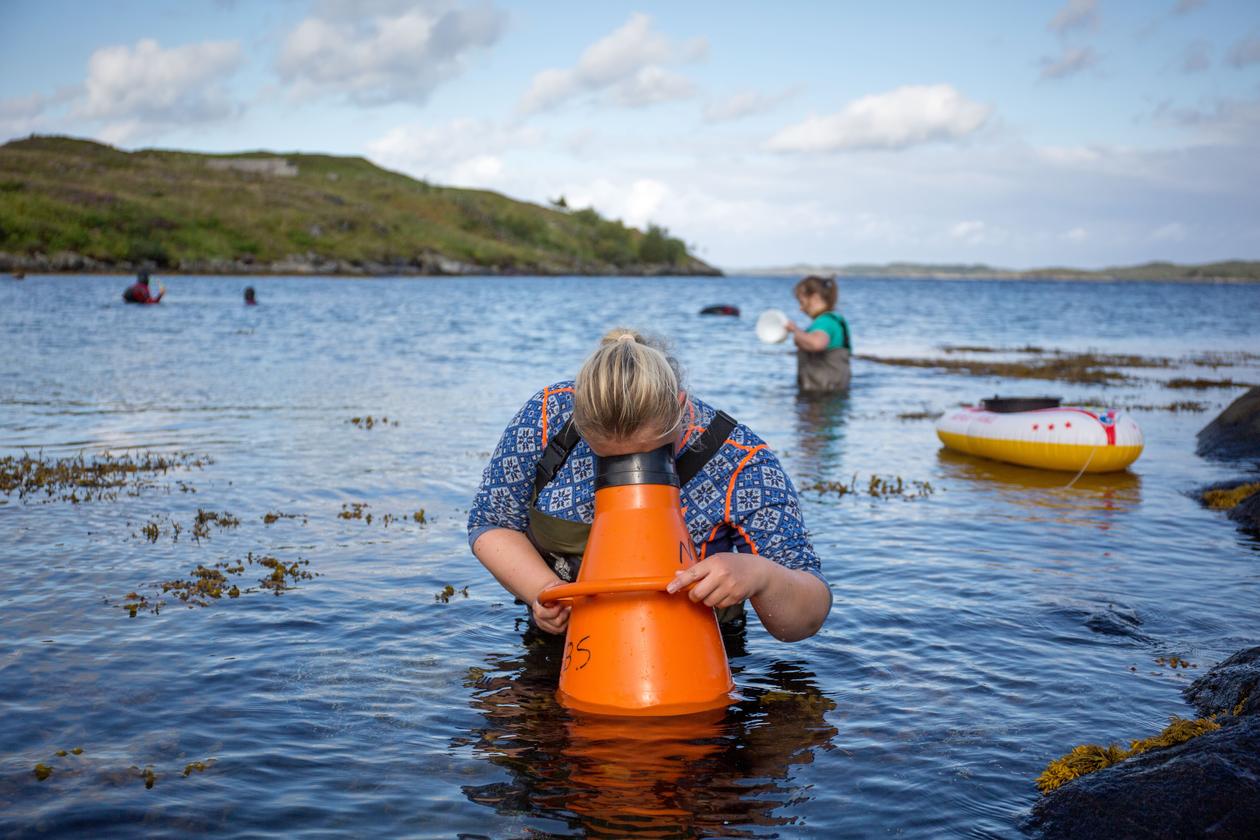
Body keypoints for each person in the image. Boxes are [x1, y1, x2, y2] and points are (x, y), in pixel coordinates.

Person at [468, 328, 831, 642]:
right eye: (607, 457)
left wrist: (761, 575)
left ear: (681, 408)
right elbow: (491, 521)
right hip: (563, 641)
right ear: (578, 410)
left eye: (650, 455)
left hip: (695, 651)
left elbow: (808, 615)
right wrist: (545, 592)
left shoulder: (742, 463)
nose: (627, 473)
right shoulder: (549, 415)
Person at [785, 275, 851, 392]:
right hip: (834, 393)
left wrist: (795, 330)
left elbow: (816, 344)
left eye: (802, 302)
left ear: (815, 298)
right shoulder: (834, 319)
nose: (800, 308)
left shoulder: (825, 322)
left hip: (821, 396)